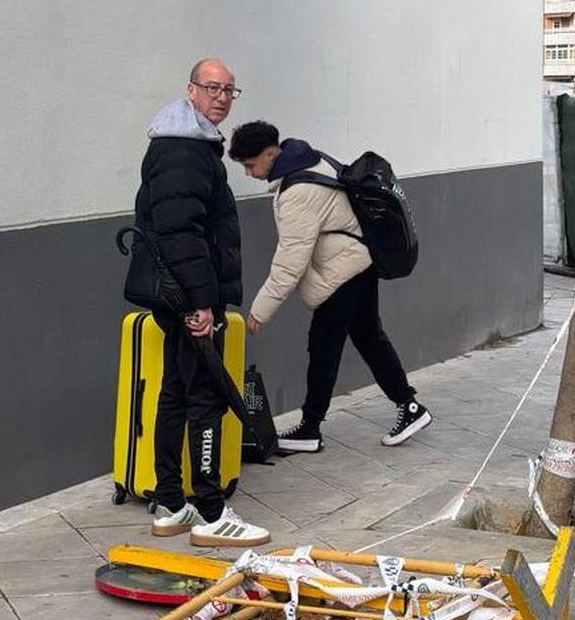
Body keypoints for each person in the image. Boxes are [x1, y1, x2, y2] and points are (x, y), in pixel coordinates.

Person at [128, 59, 270, 547]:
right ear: (190, 90)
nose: (222, 97)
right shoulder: (185, 150)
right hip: (189, 297)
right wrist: (200, 303)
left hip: (180, 293)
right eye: (212, 87)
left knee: (174, 392)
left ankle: (171, 504)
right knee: (203, 396)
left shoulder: (189, 143)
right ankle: (211, 513)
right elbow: (180, 232)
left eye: (230, 89)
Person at [227, 121, 431, 453]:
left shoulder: (297, 192)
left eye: (250, 165)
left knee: (324, 346)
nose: (249, 173)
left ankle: (310, 428)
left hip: (343, 271)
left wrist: (260, 311)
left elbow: (290, 261)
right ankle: (409, 407)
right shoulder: (307, 159)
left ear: (269, 153)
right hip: (356, 263)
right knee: (368, 338)